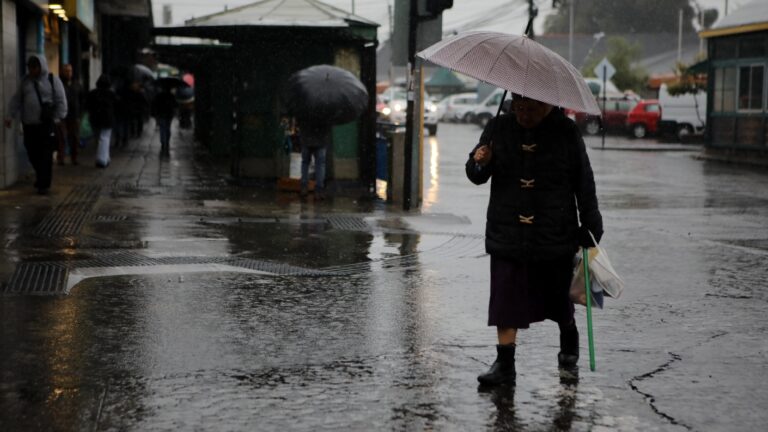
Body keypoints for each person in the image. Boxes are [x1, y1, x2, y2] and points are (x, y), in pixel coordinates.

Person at [466, 94, 603, 387]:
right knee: (505, 297)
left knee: (557, 296)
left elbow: (584, 181)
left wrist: (591, 226)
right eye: (519, 107)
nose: (523, 114)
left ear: (549, 105)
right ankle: (505, 365)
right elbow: (476, 175)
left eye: (531, 109)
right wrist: (480, 161)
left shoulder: (566, 131)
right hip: (507, 230)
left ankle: (568, 334)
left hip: (554, 230)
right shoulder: (497, 127)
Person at [4, 55, 67, 195]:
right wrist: (10, 115)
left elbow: (61, 100)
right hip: (29, 125)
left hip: (46, 124)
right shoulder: (25, 81)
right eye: (30, 67)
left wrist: (58, 118)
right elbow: (17, 99)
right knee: (32, 152)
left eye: (34, 67)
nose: (31, 70)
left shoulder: (52, 80)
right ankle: (41, 176)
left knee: (45, 154)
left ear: (41, 67)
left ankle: (43, 184)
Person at [87, 75, 116, 168]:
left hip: (95, 119)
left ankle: (104, 158)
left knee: (98, 138)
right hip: (107, 119)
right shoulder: (111, 94)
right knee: (105, 138)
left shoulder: (92, 93)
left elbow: (87, 105)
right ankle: (102, 159)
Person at [297, 119, 331, 199]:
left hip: (306, 138)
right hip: (321, 139)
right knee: (320, 164)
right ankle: (319, 190)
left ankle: (304, 187)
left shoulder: (305, 108)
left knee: (305, 163)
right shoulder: (325, 109)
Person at [58, 64, 84, 165]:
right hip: (62, 116)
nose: (68, 73)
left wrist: (80, 113)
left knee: (74, 138)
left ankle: (74, 158)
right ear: (62, 72)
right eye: (66, 71)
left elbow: (82, 99)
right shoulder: (59, 84)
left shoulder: (76, 84)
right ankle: (61, 158)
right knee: (62, 137)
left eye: (70, 71)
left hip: (74, 115)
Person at [151, 86, 177, 156]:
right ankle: (167, 142)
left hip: (161, 114)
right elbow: (175, 105)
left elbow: (154, 104)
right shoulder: (171, 96)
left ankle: (163, 142)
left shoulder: (159, 96)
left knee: (162, 129)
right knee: (167, 128)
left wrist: (155, 113)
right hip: (169, 114)